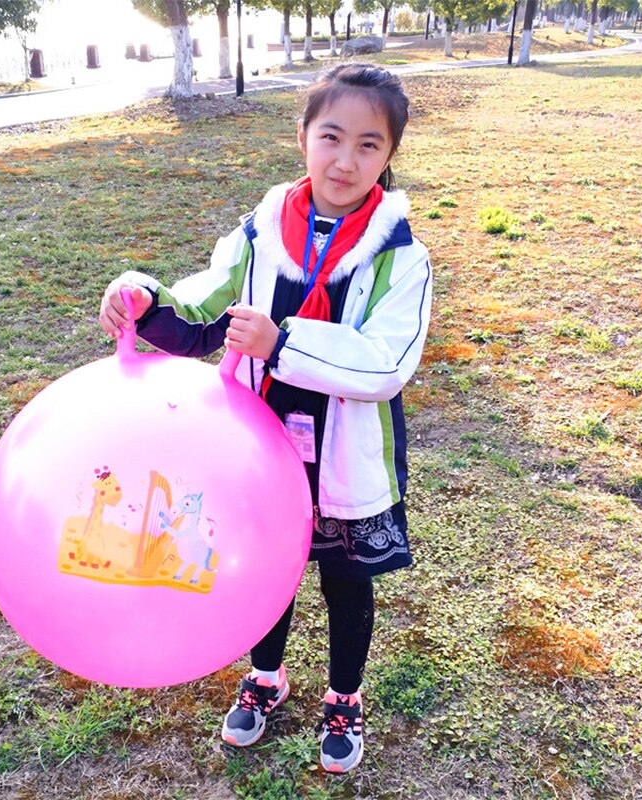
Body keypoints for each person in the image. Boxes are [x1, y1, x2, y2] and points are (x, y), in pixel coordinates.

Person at [99, 63, 433, 774]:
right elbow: (204, 299)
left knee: (346, 580)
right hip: (256, 440)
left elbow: (386, 365)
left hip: (344, 453)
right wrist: (143, 293)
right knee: (265, 570)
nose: (346, 160)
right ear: (303, 135)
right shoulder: (264, 228)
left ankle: (344, 695)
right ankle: (266, 678)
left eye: (368, 145)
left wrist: (284, 344)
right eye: (331, 136)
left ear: (390, 154)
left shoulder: (401, 258)